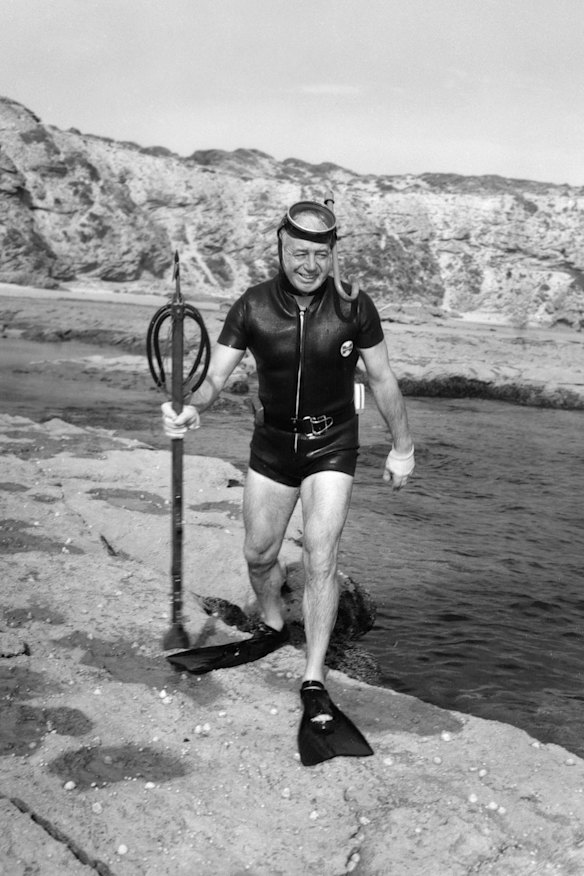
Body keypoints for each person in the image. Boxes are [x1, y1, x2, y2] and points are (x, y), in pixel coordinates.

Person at [162, 199, 414, 764]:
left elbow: (382, 378)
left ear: (333, 254)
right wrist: (189, 406)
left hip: (332, 442)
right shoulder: (252, 306)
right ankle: (273, 621)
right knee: (259, 553)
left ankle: (313, 675)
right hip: (273, 444)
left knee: (321, 554)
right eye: (298, 252)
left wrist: (403, 447)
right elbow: (213, 380)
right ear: (280, 246)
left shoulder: (355, 308)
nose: (308, 264)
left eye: (319, 254)